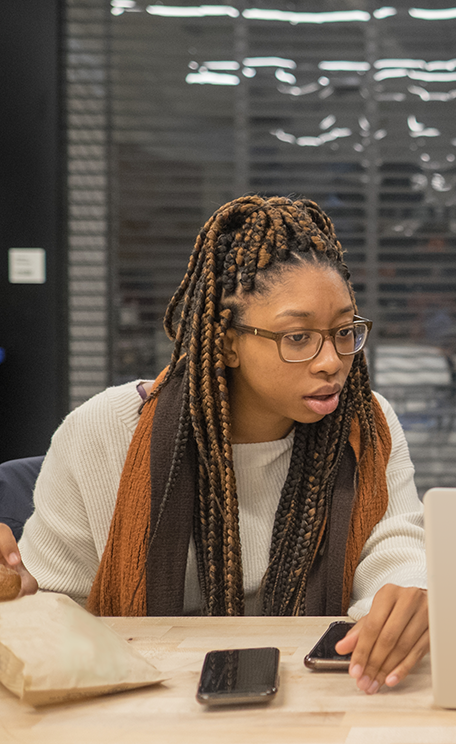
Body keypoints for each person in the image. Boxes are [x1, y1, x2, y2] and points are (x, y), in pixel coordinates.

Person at [0, 196, 427, 694]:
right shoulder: (103, 432)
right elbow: (51, 606)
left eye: (344, 332)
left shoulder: (367, 423)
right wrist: (15, 590)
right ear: (225, 342)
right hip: (140, 700)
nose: (331, 360)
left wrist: (410, 584)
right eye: (298, 337)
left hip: (319, 692)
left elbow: (395, 543)